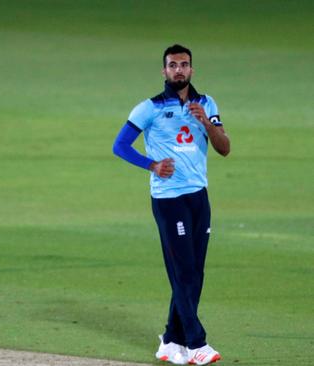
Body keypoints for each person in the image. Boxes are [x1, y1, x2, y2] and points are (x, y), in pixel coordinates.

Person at [112, 44, 230, 365]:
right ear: (164, 71)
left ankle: (171, 340)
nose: (179, 70)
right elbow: (119, 145)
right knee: (183, 271)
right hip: (168, 199)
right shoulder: (148, 108)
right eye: (173, 65)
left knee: (194, 272)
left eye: (184, 64)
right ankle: (196, 343)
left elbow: (224, 148)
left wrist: (206, 122)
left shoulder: (206, 104)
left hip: (198, 197)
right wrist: (151, 165)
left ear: (192, 69)